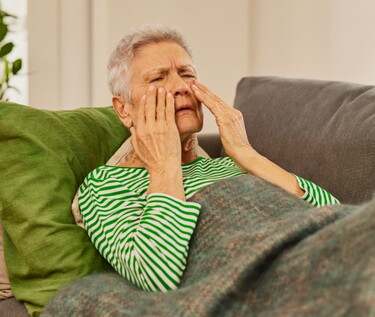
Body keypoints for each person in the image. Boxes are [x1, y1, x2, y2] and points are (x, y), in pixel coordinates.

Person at [78, 25, 339, 293]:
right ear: (123, 109)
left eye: (187, 74)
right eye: (157, 79)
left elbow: (337, 219)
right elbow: (157, 276)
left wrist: (246, 153)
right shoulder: (104, 185)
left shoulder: (232, 165)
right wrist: (165, 165)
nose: (180, 86)